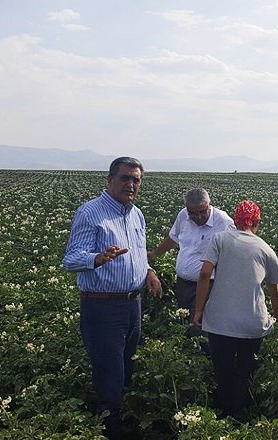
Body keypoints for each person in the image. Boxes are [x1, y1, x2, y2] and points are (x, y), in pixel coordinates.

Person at [62, 156, 163, 436]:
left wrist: (150, 272)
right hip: (102, 308)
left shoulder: (136, 214)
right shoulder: (91, 212)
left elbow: (139, 254)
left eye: (136, 180)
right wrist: (97, 258)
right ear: (109, 180)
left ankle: (121, 426)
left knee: (127, 370)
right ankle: (109, 430)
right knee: (110, 379)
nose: (130, 184)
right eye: (124, 178)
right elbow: (70, 259)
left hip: (133, 305)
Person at [192, 201, 278, 419]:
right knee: (245, 371)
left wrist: (198, 310)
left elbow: (205, 274)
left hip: (219, 321)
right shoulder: (265, 249)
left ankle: (221, 415)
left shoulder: (220, 239)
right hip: (252, 323)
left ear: (235, 221)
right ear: (257, 222)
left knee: (222, 369)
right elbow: (275, 291)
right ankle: (240, 415)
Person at [148, 188, 235, 328]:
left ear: (209, 204)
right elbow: (173, 238)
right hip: (183, 285)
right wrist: (154, 253)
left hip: (208, 287)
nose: (198, 217)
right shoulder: (183, 215)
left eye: (202, 211)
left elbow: (232, 256)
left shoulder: (224, 222)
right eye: (193, 213)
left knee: (199, 327)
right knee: (184, 324)